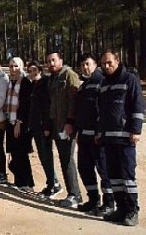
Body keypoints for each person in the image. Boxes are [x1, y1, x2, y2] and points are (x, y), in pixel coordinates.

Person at [98, 50, 143, 226]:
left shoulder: (129, 79)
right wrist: (100, 132)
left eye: (109, 62)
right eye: (103, 64)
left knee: (127, 176)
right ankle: (121, 209)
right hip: (108, 138)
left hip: (125, 137)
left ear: (117, 61)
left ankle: (132, 210)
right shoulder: (103, 84)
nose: (106, 66)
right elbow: (101, 111)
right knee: (114, 177)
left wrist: (136, 130)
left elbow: (137, 104)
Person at [75, 53, 114, 215]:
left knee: (103, 170)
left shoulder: (100, 81)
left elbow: (104, 110)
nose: (85, 67)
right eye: (83, 64)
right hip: (84, 136)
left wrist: (100, 132)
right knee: (85, 168)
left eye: (88, 64)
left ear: (95, 65)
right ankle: (93, 200)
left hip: (97, 138)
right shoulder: (84, 85)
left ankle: (109, 203)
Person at [46, 52, 82, 208]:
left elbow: (74, 101)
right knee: (63, 158)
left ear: (61, 60)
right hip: (56, 125)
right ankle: (71, 193)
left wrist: (70, 122)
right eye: (48, 61)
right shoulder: (53, 78)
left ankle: (75, 195)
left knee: (67, 159)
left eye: (53, 60)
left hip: (66, 126)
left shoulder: (69, 75)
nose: (51, 63)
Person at [26, 59, 63, 199]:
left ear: (40, 70)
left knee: (47, 156)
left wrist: (47, 126)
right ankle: (51, 183)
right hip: (36, 126)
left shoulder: (45, 84)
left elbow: (47, 106)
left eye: (34, 70)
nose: (32, 73)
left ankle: (54, 184)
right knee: (42, 156)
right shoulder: (33, 85)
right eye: (29, 71)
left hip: (44, 126)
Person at [6, 57, 34, 191]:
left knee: (21, 153)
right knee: (15, 153)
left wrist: (19, 122)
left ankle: (28, 183)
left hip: (20, 123)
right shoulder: (10, 82)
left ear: (21, 67)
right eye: (11, 66)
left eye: (16, 66)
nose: (13, 69)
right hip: (10, 121)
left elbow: (25, 105)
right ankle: (19, 182)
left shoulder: (25, 82)